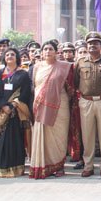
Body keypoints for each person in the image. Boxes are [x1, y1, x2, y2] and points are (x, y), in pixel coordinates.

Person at [73, 32, 101, 178]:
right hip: (86, 101)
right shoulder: (80, 62)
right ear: (86, 45)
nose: (92, 45)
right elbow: (75, 81)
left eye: (96, 43)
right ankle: (88, 165)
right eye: (90, 43)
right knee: (87, 135)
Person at [29, 40, 75, 179]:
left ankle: (59, 166)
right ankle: (43, 166)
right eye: (45, 49)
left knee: (59, 137)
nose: (47, 51)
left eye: (50, 49)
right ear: (41, 52)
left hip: (60, 106)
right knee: (44, 137)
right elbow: (34, 87)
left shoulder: (65, 67)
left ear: (56, 52)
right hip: (40, 106)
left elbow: (71, 88)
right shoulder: (36, 67)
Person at [0, 47, 32, 178]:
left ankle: (17, 169)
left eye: (12, 54)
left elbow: (25, 92)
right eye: (7, 54)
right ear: (4, 57)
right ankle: (1, 169)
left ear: (17, 57)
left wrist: (14, 104)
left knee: (16, 140)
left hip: (16, 112)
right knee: (2, 140)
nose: (10, 56)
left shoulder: (23, 74)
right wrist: (3, 106)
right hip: (3, 111)